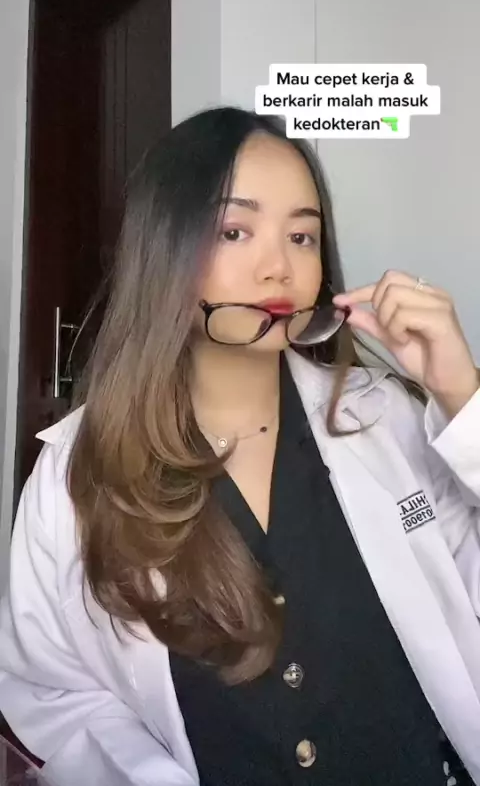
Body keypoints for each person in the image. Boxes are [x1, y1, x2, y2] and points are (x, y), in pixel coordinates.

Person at [0, 106, 479, 786]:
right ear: (167, 251)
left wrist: (463, 396)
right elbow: (54, 694)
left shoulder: (386, 418)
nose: (279, 267)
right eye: (235, 231)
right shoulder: (74, 477)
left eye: (303, 237)